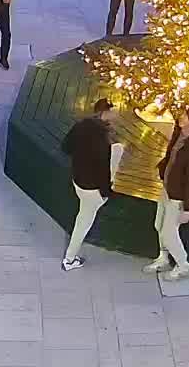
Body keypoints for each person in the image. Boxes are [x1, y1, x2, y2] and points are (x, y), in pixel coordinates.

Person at [146, 106, 189, 280]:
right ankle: (163, 257)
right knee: (159, 224)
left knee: (169, 232)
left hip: (178, 198)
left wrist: (188, 208)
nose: (181, 117)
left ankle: (182, 264)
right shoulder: (179, 135)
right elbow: (170, 157)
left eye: (185, 116)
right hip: (167, 189)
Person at [60, 99, 123, 271]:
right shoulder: (104, 140)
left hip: (78, 180)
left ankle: (70, 257)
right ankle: (69, 259)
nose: (117, 114)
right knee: (83, 223)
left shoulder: (81, 126)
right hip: (92, 189)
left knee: (83, 217)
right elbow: (103, 171)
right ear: (105, 113)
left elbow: (66, 147)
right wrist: (106, 192)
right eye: (114, 110)